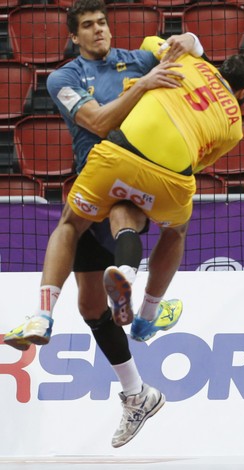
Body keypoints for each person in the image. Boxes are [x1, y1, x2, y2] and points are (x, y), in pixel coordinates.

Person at [2, 0, 206, 447]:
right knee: (92, 308)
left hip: (131, 177)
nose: (100, 31)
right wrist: (144, 86)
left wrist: (188, 40)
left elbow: (195, 52)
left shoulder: (137, 57)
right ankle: (137, 393)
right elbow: (96, 119)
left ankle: (107, 294)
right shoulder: (65, 78)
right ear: (74, 36)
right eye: (89, 27)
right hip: (92, 174)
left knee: (118, 212)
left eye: (103, 24)